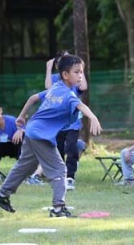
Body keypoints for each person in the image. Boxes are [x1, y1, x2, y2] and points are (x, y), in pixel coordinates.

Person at [0, 54, 102, 218]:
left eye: (82, 72)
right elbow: (80, 105)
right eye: (77, 72)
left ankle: (1, 195)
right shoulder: (69, 95)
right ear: (65, 74)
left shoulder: (55, 88)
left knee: (25, 166)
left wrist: (21, 116)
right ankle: (58, 208)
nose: (80, 75)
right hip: (41, 135)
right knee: (59, 169)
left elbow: (33, 98)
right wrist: (93, 117)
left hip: (32, 130)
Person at [44, 50, 87, 190]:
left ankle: (70, 176)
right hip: (59, 123)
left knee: (72, 148)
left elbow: (83, 87)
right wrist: (49, 69)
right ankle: (59, 175)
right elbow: (48, 88)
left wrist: (81, 70)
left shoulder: (75, 78)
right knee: (58, 149)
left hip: (73, 123)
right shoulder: (57, 79)